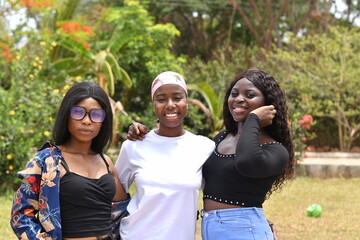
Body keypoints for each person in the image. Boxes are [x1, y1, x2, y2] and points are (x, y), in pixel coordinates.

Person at [128, 68, 295, 240]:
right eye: (234, 93)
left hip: (246, 230)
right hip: (213, 229)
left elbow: (246, 161)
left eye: (250, 95)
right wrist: (147, 135)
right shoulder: (222, 138)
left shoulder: (276, 150)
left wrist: (253, 120)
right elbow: (183, 159)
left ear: (268, 103)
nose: (238, 99)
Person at [10, 81, 128, 240]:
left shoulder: (106, 162)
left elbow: (123, 212)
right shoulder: (48, 160)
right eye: (78, 112)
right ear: (67, 114)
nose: (87, 120)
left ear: (104, 121)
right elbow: (20, 215)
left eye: (96, 114)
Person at [114, 71, 215, 240]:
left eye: (177, 98)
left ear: (187, 102)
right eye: (161, 99)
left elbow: (222, 194)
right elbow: (115, 198)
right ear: (153, 105)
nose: (170, 105)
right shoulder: (133, 146)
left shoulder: (204, 147)